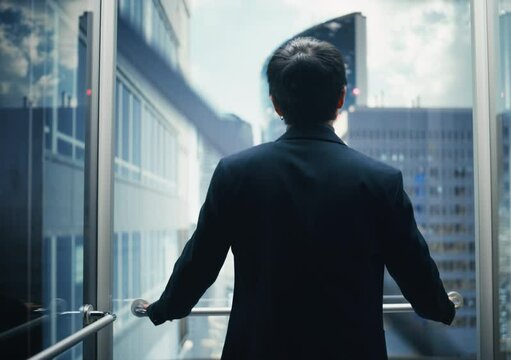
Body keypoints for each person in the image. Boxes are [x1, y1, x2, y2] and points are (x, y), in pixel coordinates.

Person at [146, 37, 455, 359]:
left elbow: (201, 261)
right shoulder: (380, 181)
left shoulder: (235, 173)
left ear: (276, 104)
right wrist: (441, 309)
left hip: (259, 348)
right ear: (341, 98)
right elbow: (412, 267)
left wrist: (164, 309)